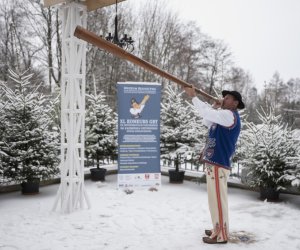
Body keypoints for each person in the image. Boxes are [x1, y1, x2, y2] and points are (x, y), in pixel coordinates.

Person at [184, 85, 245, 244]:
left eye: (228, 98)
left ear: (235, 103)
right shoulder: (223, 115)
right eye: (224, 97)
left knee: (218, 200)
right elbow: (207, 119)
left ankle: (221, 235)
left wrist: (194, 97)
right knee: (214, 200)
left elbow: (205, 113)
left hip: (219, 164)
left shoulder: (230, 116)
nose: (224, 99)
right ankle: (216, 227)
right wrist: (214, 106)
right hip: (214, 163)